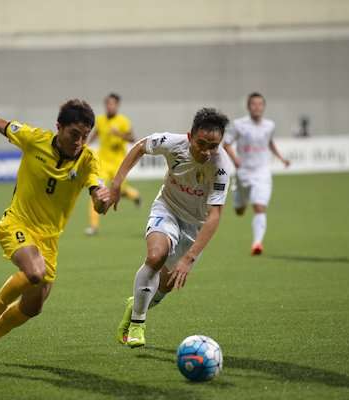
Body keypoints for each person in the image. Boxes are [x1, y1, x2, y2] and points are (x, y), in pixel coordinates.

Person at [0, 99, 110, 364]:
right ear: (59, 127)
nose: (78, 141)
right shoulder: (34, 139)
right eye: (74, 134)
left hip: (49, 239)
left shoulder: (87, 160)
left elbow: (97, 191)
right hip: (17, 223)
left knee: (33, 307)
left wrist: (101, 200)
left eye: (84, 136)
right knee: (34, 272)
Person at [109, 108, 231, 348]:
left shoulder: (221, 168)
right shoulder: (173, 143)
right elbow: (141, 146)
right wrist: (117, 183)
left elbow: (215, 215)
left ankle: (134, 306)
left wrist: (189, 257)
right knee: (156, 256)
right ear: (189, 137)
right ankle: (137, 323)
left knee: (164, 286)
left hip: (195, 226)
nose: (207, 151)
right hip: (167, 210)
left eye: (213, 146)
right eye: (202, 143)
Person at [222, 92, 290, 255]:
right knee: (239, 210)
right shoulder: (239, 124)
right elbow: (227, 143)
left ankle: (257, 243)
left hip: (262, 172)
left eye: (260, 104)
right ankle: (240, 201)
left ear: (264, 107)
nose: (257, 107)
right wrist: (235, 159)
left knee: (259, 207)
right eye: (254, 104)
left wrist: (281, 158)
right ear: (248, 107)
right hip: (243, 172)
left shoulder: (269, 125)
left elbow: (270, 143)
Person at [85, 93, 141, 236]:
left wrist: (119, 134)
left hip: (118, 164)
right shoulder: (100, 120)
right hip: (102, 163)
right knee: (96, 192)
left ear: (117, 105)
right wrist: (85, 145)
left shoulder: (123, 121)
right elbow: (96, 133)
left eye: (113, 104)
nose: (110, 106)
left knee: (118, 191)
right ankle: (93, 226)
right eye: (108, 104)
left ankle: (134, 195)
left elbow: (132, 138)